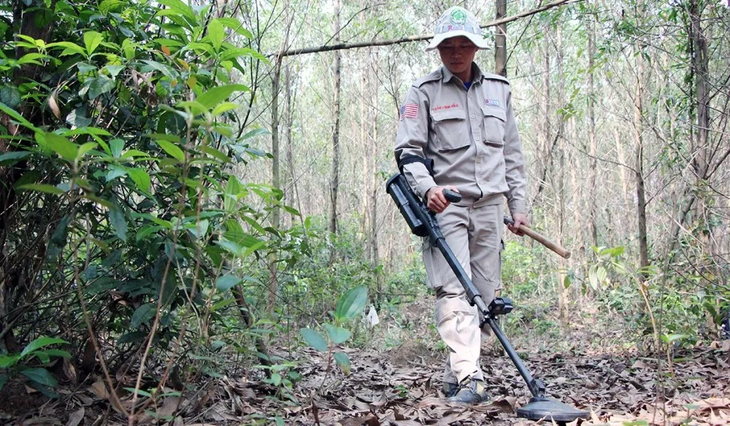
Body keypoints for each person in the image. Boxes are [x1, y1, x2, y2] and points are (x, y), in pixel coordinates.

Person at [394, 6, 529, 404]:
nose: (456, 53)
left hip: (489, 207)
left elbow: (513, 156)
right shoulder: (423, 92)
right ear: (438, 51)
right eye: (448, 46)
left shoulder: (498, 91)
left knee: (486, 297)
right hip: (445, 207)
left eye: (464, 45)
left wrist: (518, 206)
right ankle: (471, 378)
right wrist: (426, 188)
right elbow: (408, 151)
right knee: (456, 292)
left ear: (475, 47)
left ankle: (458, 369)